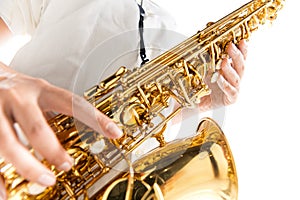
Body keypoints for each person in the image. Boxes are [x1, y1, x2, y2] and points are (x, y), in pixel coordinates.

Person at [0, 0, 247, 199]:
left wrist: (198, 101)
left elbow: (137, 124)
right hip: (15, 164)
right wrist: (5, 78)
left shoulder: (169, 31)